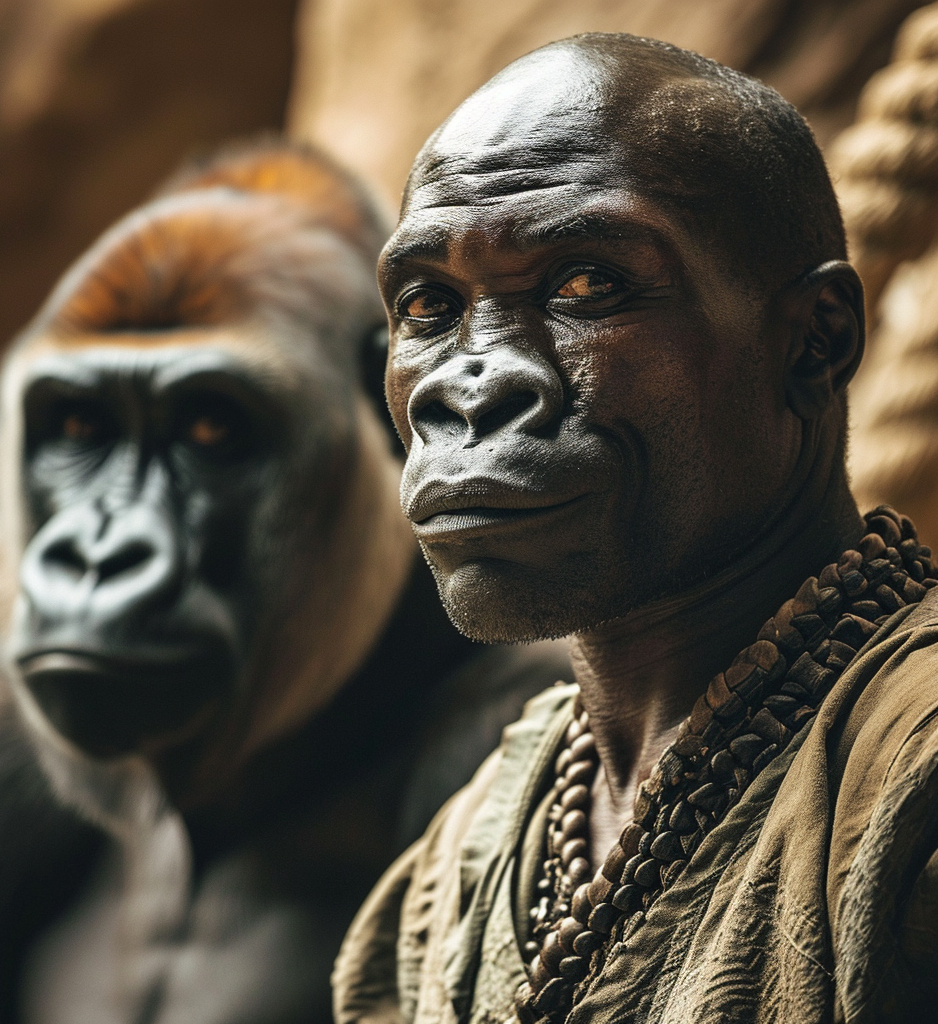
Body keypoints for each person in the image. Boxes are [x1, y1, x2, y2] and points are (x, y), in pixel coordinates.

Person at [333, 33, 938, 1024]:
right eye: (431, 304)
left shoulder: (908, 788)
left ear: (814, 340)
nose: (469, 385)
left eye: (585, 285)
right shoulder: (465, 856)